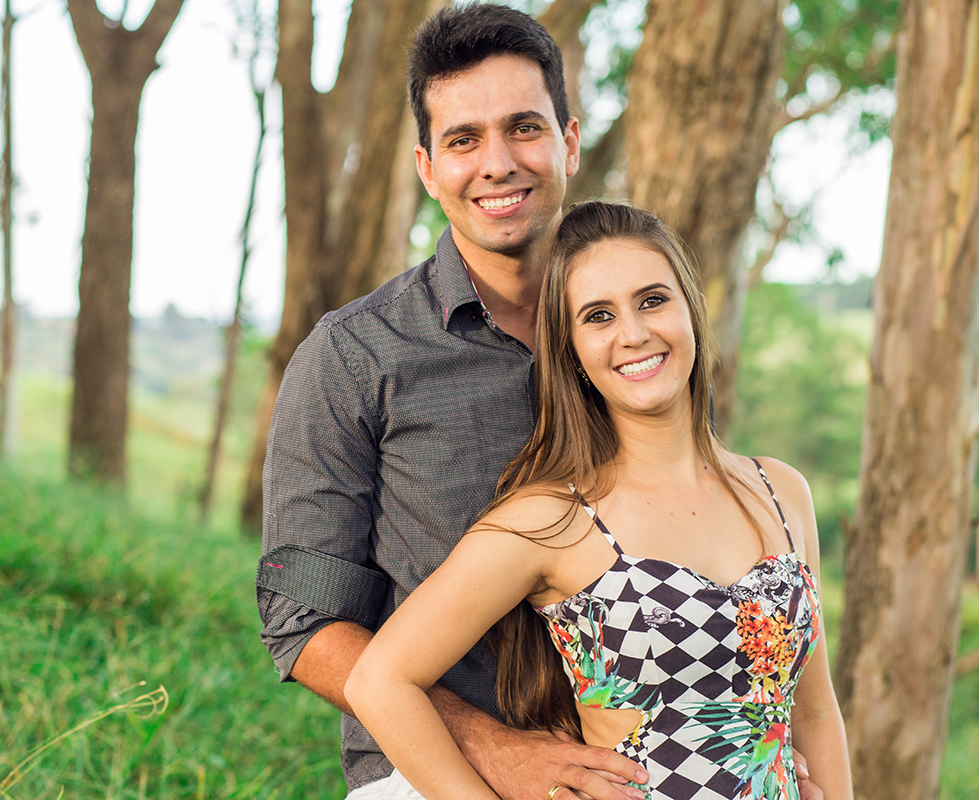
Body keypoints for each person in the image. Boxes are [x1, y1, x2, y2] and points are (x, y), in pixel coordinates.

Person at [257, 6, 824, 800]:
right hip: (431, 775)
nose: (498, 163)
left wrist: (749, 749)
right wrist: (497, 750)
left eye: (524, 128)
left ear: (569, 142)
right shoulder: (356, 356)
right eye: (463, 140)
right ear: (427, 168)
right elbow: (303, 622)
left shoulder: (634, 345)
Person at [344, 201, 853, 800]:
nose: (632, 334)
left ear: (692, 308)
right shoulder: (553, 519)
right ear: (572, 351)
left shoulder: (781, 491)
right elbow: (380, 682)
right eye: (598, 316)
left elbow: (814, 711)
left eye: (653, 300)